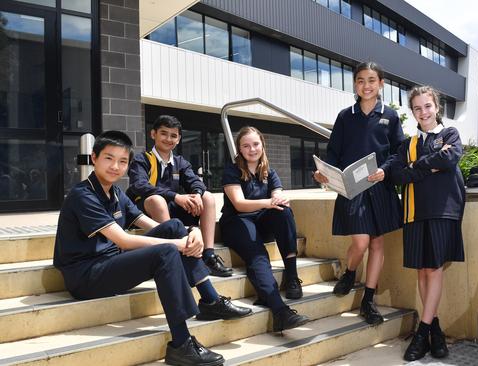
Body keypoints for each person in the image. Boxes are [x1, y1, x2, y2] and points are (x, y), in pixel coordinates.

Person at [53, 131, 252, 366]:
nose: (116, 166)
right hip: (87, 275)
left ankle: (210, 301)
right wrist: (177, 245)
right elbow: (124, 241)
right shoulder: (82, 195)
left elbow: (155, 226)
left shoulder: (115, 193)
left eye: (123, 161)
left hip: (110, 262)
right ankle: (182, 344)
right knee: (166, 251)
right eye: (109, 158)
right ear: (94, 158)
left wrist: (190, 233)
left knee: (174, 226)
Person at [314, 61, 404, 325]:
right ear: (355, 84)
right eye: (361, 80)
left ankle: (368, 300)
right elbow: (333, 154)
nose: (366, 85)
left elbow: (398, 152)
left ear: (381, 84)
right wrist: (324, 174)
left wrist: (386, 170)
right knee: (361, 242)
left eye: (372, 80)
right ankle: (350, 271)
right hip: (352, 188)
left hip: (380, 187)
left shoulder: (390, 115)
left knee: (377, 244)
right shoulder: (345, 116)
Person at [390, 86, 465, 360]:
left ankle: (422, 333)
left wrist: (415, 168)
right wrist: (426, 166)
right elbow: (397, 175)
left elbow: (450, 158)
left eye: (428, 106)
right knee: (422, 270)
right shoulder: (407, 144)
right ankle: (435, 330)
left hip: (442, 210)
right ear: (413, 112)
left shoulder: (450, 134)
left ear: (437, 107)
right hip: (413, 212)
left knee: (433, 269)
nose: (424, 112)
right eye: (418, 108)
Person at [220, 126, 310, 333]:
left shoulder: (269, 171)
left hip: (260, 220)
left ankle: (292, 276)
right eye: (246, 145)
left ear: (262, 145)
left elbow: (276, 199)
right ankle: (280, 312)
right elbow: (240, 204)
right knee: (259, 256)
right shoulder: (232, 170)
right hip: (237, 222)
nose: (251, 149)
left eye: (255, 144)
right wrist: (269, 201)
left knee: (284, 211)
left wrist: (279, 199)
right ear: (239, 150)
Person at [127, 115, 233, 278]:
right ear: (153, 134)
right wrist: (176, 196)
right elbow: (140, 186)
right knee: (157, 200)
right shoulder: (142, 159)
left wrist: (197, 194)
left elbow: (195, 182)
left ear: (178, 139)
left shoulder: (180, 162)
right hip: (145, 212)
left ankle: (209, 255)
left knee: (207, 197)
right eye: (164, 133)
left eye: (173, 135)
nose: (168, 139)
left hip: (172, 211)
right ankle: (177, 255)